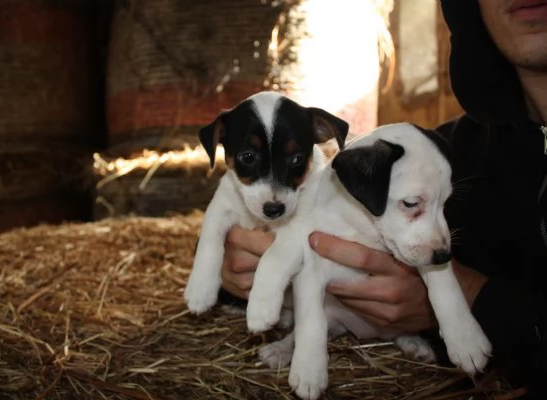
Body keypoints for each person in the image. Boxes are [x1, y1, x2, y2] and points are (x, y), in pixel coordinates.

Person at [217, 0, 547, 398]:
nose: (442, 237)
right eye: (413, 205)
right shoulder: (437, 149)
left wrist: (475, 299)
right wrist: (235, 261)